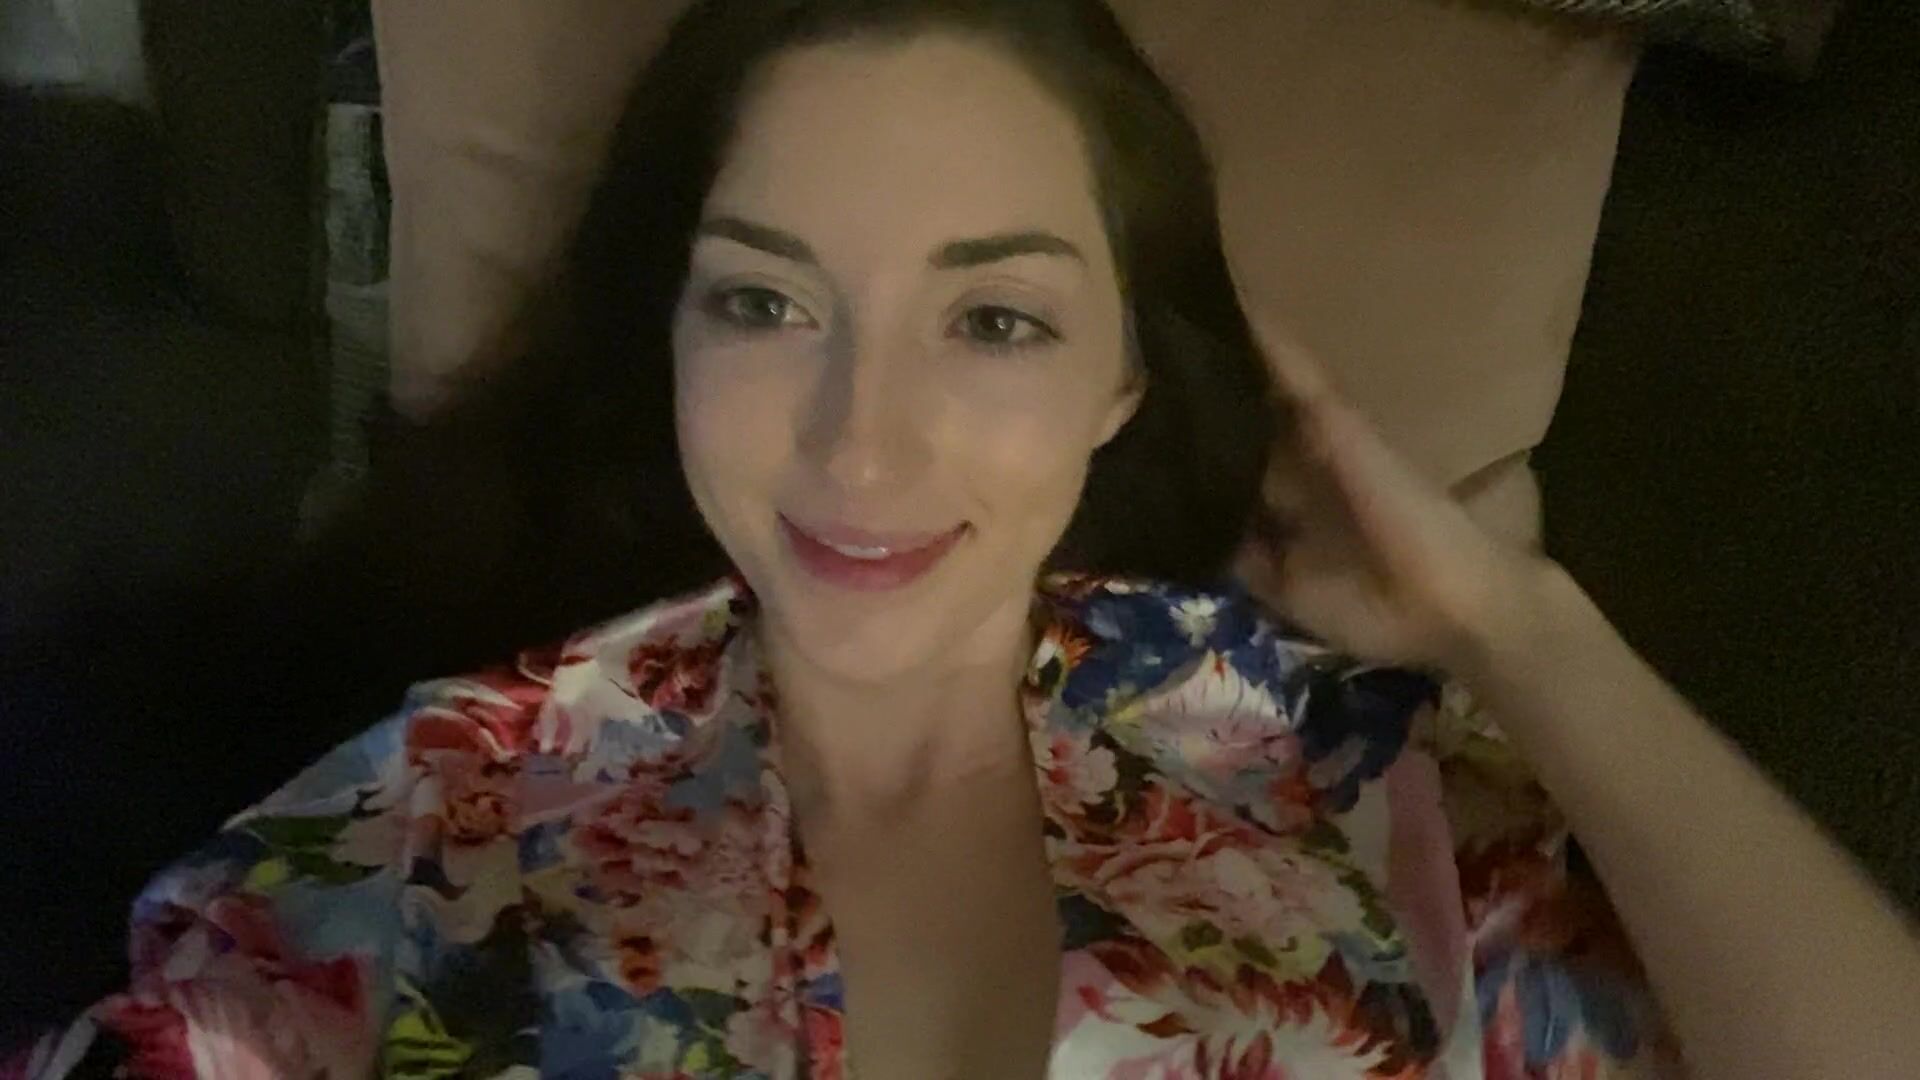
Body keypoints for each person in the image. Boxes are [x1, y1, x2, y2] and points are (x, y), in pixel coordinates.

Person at [10, 1, 1918, 1077]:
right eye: (763, 304)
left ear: (1122, 379)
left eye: (995, 320)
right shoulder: (448, 811)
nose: (863, 441)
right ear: (666, 338)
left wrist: (1522, 619)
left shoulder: (1352, 768)